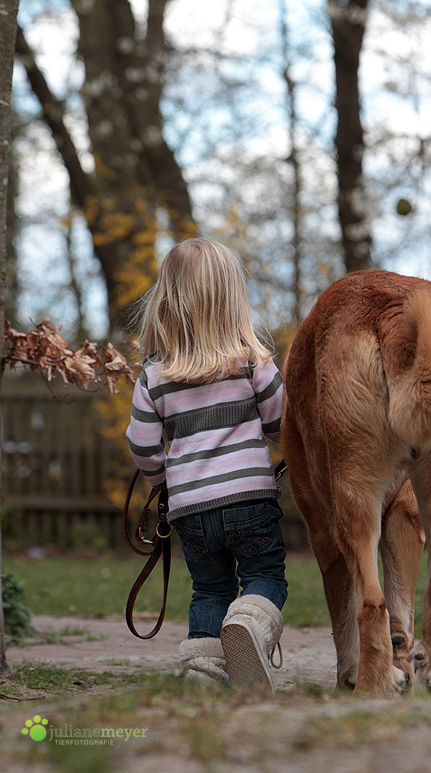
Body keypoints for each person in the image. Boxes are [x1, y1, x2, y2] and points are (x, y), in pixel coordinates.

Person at [126, 238, 287, 693]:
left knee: (210, 590)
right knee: (264, 576)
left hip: (190, 510)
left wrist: (165, 479)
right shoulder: (253, 361)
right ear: (231, 298)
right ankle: (251, 626)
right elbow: (281, 426)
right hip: (250, 499)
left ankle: (203, 675)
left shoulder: (154, 374)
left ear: (166, 301)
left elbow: (140, 444)